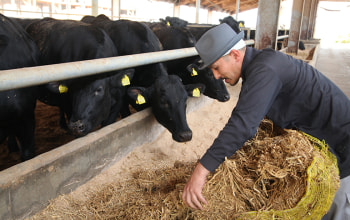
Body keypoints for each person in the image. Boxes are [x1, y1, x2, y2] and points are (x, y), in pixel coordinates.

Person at [181, 23, 350, 220]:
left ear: (235, 55)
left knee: (337, 208)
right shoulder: (260, 67)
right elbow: (247, 119)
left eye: (217, 68)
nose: (217, 76)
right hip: (326, 143)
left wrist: (200, 172)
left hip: (343, 148)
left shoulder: (265, 70)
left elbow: (242, 126)